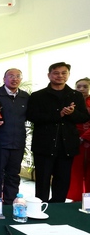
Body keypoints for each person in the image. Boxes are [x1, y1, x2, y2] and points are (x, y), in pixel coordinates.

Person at [27, 62, 90, 203]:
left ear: (68, 75)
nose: (60, 76)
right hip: (44, 144)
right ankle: (40, 207)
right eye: (56, 73)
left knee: (62, 180)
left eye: (64, 73)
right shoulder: (38, 95)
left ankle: (58, 208)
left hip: (67, 145)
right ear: (49, 75)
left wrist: (72, 113)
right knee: (42, 180)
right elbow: (32, 116)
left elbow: (84, 117)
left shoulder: (76, 95)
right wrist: (58, 114)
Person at [0, 68, 30, 204]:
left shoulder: (25, 96)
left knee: (13, 175)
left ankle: (10, 203)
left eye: (18, 76)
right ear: (4, 79)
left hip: (18, 142)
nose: (15, 79)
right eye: (11, 76)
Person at [67, 77, 90, 201]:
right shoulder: (71, 102)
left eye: (85, 87)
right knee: (75, 171)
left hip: (87, 138)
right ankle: (76, 199)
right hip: (74, 140)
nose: (81, 89)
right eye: (78, 86)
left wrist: (85, 136)